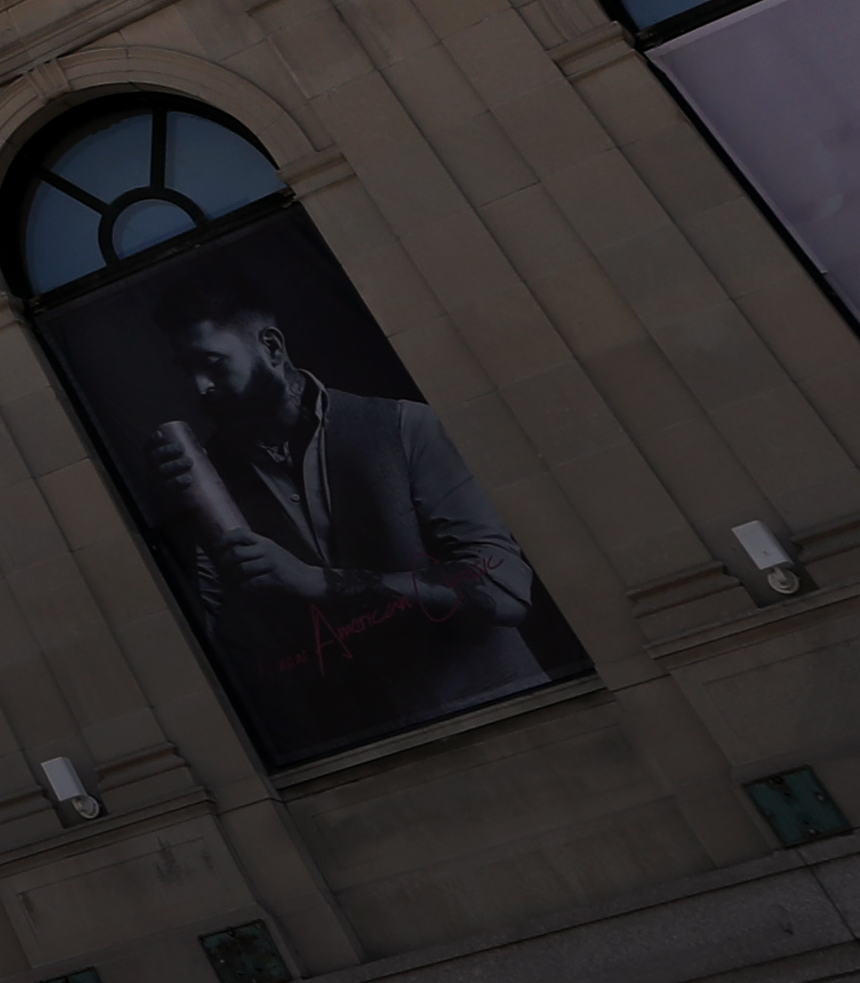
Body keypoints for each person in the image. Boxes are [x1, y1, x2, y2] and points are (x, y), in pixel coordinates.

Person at [144, 270, 554, 747]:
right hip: (362, 753)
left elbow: (505, 589)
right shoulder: (208, 480)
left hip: (514, 721)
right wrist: (187, 516)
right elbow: (232, 654)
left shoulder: (404, 428)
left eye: (212, 364)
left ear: (272, 348)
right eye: (186, 369)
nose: (200, 387)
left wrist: (318, 582)